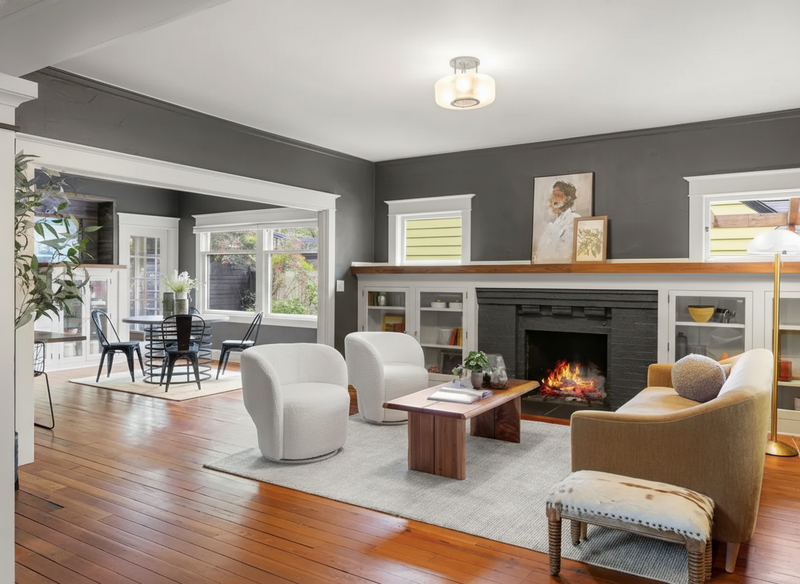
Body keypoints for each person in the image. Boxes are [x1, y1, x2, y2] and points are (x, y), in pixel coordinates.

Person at [535, 180, 580, 263]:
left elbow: (567, 250)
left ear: (568, 199)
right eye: (552, 194)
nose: (551, 199)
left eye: (557, 195)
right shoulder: (553, 221)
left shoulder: (574, 219)